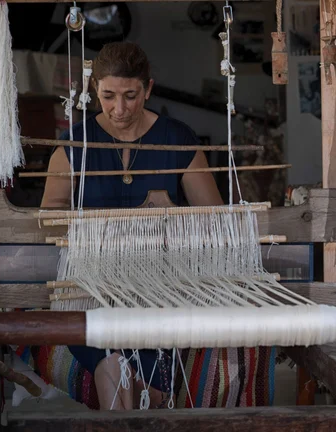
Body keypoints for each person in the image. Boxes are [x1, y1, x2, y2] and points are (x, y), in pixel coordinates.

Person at [41, 41, 224, 409]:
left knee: (147, 386)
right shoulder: (74, 145)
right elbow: (48, 219)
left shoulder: (177, 140)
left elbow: (216, 220)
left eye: (130, 95)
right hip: (89, 282)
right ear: (95, 90)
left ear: (148, 89)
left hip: (160, 281)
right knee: (114, 364)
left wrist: (171, 213)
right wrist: (93, 233)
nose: (119, 108)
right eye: (108, 96)